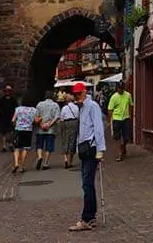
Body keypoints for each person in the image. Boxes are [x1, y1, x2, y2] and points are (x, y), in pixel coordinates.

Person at [68, 82, 106, 233]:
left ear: (84, 92)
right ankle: (91, 217)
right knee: (87, 183)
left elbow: (98, 127)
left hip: (91, 148)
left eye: (79, 94)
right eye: (75, 94)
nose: (77, 97)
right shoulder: (81, 107)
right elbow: (82, 129)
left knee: (87, 183)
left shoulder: (92, 106)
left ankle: (87, 218)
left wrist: (101, 149)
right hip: (85, 148)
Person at [106, 82, 134, 162]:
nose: (120, 90)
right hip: (116, 119)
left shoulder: (128, 95)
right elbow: (110, 109)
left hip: (126, 118)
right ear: (117, 88)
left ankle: (123, 146)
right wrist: (110, 120)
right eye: (119, 88)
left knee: (127, 137)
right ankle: (120, 153)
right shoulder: (114, 97)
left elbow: (130, 105)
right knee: (117, 137)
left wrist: (130, 115)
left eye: (122, 88)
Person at [34, 90, 60, 170]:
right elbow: (57, 117)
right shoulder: (55, 105)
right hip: (50, 129)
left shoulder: (39, 104)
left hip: (40, 129)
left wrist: (41, 125)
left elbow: (36, 116)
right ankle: (45, 163)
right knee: (49, 146)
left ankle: (39, 156)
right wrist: (49, 124)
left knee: (39, 145)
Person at [11, 95, 36, 173]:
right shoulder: (33, 110)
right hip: (28, 130)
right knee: (25, 148)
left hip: (18, 130)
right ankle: (22, 166)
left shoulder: (18, 109)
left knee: (16, 148)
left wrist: (15, 126)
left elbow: (13, 120)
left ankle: (16, 163)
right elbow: (35, 120)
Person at [58, 92, 80, 169]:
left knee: (65, 139)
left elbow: (61, 117)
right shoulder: (76, 107)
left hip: (66, 123)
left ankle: (65, 158)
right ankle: (71, 161)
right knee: (73, 140)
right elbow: (78, 116)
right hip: (74, 123)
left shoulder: (64, 108)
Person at [0, 85, 17, 154]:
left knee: (11, 132)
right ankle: (4, 146)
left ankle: (10, 144)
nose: (7, 92)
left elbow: (16, 109)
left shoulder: (13, 99)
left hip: (11, 118)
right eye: (6, 91)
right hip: (3, 118)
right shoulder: (1, 99)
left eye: (8, 91)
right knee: (3, 133)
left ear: (10, 92)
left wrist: (15, 118)